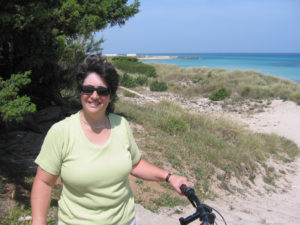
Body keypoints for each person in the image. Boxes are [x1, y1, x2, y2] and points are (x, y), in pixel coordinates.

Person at [30, 54, 189, 225]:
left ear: (111, 96)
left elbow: (135, 164)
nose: (94, 95)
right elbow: (44, 183)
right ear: (80, 91)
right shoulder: (61, 132)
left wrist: (169, 177)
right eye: (88, 89)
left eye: (103, 91)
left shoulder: (121, 125)